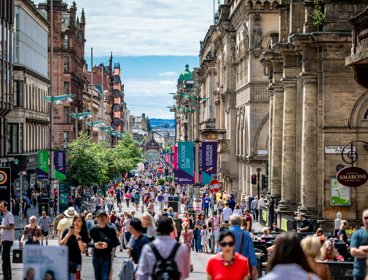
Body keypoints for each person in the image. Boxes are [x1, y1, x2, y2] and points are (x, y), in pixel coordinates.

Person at [89, 211, 120, 280]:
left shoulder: (111, 229)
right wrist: (94, 245)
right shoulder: (93, 229)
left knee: (105, 278)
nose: (102, 218)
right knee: (98, 277)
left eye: (103, 216)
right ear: (97, 218)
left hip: (106, 256)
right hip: (96, 256)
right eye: (100, 216)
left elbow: (116, 242)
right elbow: (87, 242)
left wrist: (108, 245)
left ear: (106, 218)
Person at [229, 214, 258, 280]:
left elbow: (219, 253)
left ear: (230, 222)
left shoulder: (225, 234)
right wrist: (254, 268)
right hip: (242, 267)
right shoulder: (246, 234)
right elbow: (251, 252)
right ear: (240, 223)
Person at [60, 215, 89, 279]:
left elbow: (82, 249)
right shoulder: (67, 231)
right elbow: (61, 244)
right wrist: (67, 235)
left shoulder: (84, 233)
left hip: (76, 261)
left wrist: (77, 235)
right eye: (75, 221)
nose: (76, 223)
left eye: (79, 221)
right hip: (65, 259)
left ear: (82, 223)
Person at [350, 209, 368, 280]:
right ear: (362, 219)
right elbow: (353, 252)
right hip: (360, 273)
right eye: (365, 218)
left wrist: (362, 248)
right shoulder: (357, 234)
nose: (367, 220)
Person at [0, 201, 14, 280]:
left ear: (5, 207)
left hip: (8, 240)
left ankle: (6, 277)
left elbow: (12, 227)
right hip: (5, 239)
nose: (0, 208)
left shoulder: (9, 215)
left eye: (1, 206)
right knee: (6, 259)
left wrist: (2, 227)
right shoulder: (5, 216)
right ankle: (8, 276)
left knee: (4, 259)